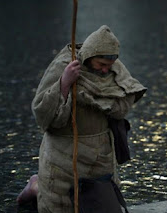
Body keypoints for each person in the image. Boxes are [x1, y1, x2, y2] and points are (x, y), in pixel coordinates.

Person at [16, 25, 147, 213]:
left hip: (99, 154)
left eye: (108, 66)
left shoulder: (114, 68)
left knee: (103, 204)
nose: (104, 70)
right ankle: (36, 187)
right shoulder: (64, 65)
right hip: (65, 154)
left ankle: (37, 185)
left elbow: (125, 98)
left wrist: (106, 102)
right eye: (101, 65)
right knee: (61, 205)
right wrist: (64, 82)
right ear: (90, 57)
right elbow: (43, 113)